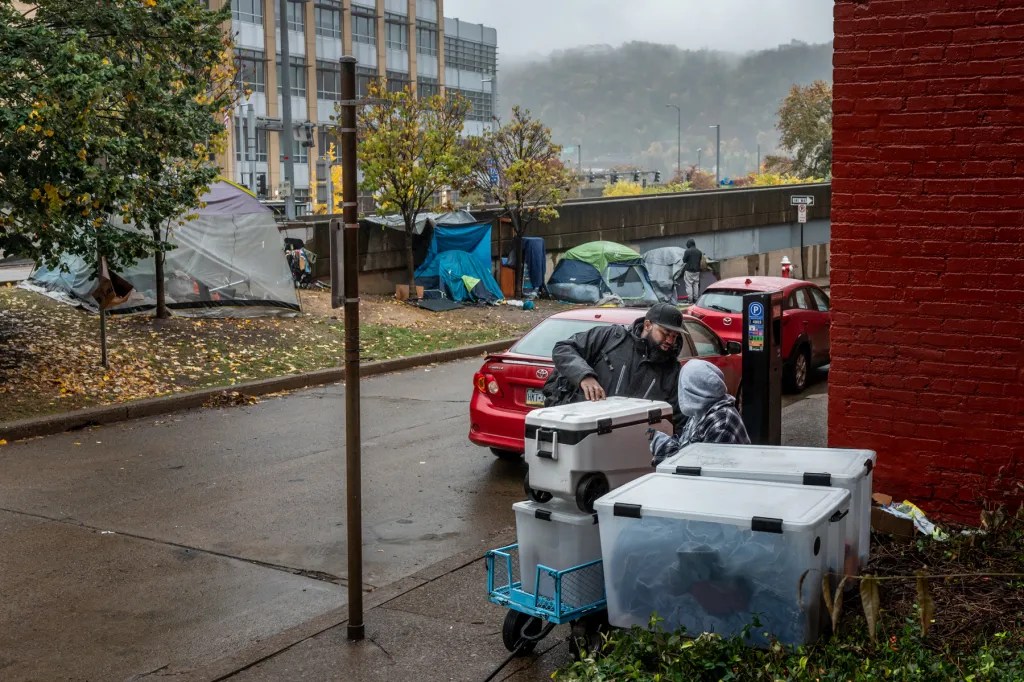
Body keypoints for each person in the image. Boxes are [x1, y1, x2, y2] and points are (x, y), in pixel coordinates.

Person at [544, 302, 686, 427]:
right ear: (648, 325)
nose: (670, 340)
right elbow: (563, 348)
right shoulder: (611, 338)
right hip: (585, 433)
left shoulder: (672, 370)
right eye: (665, 333)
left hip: (633, 446)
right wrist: (583, 376)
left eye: (674, 336)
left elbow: (677, 419)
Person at [649, 358, 750, 464]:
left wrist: (665, 451)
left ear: (693, 391)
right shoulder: (701, 411)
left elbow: (702, 469)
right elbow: (686, 449)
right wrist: (664, 443)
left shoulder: (721, 423)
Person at [681, 238, 703, 304]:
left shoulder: (687, 251)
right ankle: (696, 299)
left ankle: (690, 300)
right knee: (696, 284)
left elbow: (684, 260)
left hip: (689, 271)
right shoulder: (699, 252)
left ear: (689, 244)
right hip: (697, 271)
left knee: (689, 285)